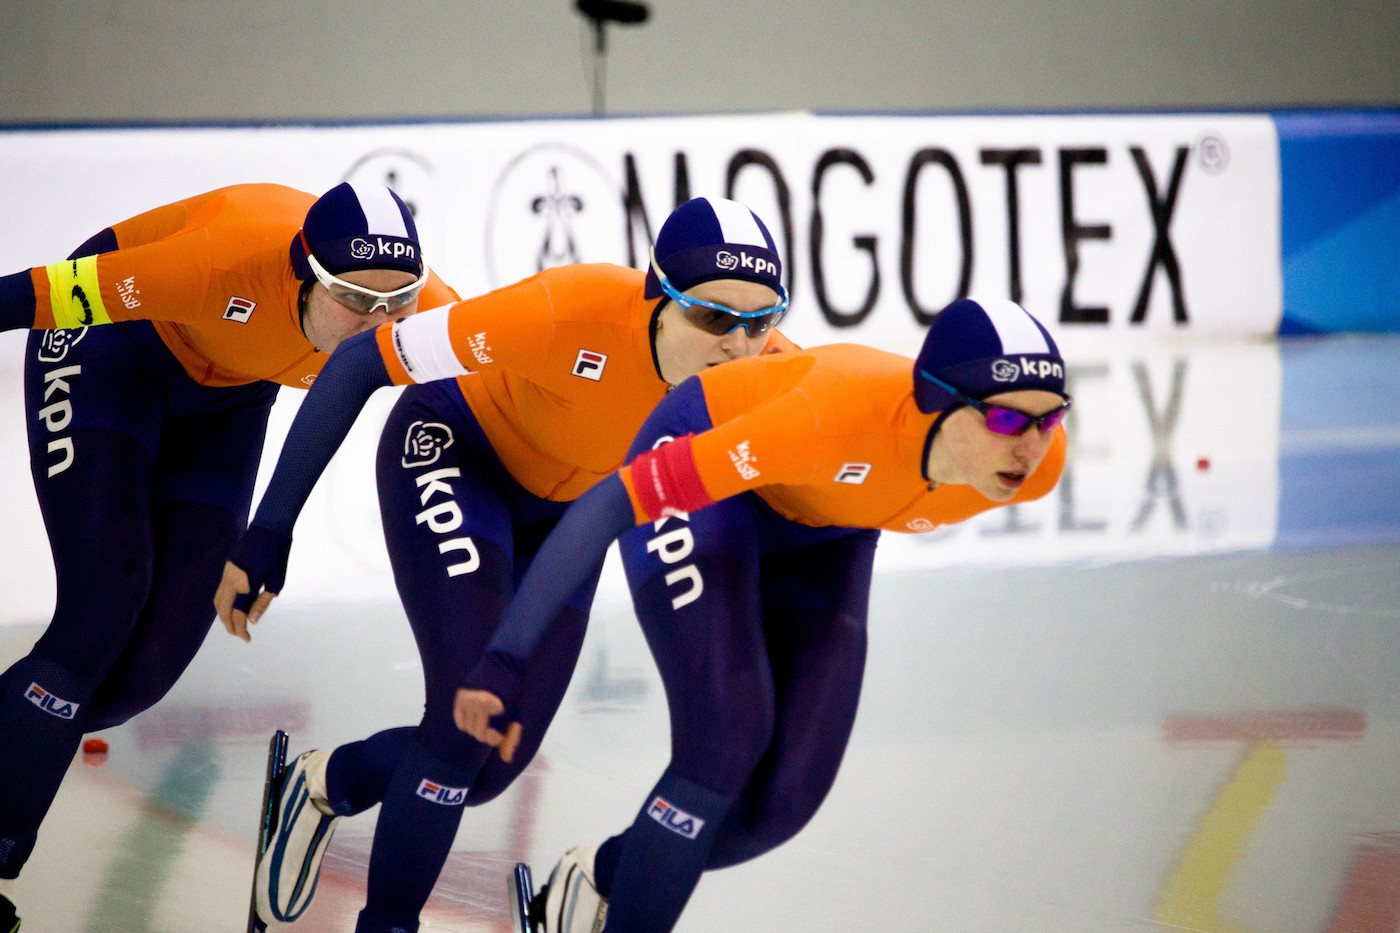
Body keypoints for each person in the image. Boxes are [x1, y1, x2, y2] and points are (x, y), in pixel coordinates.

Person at [212, 197, 794, 933]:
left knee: (484, 769)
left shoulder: (771, 370)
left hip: (572, 521)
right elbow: (361, 361)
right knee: (462, 721)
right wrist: (270, 527)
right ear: (659, 297)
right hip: (458, 455)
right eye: (712, 317)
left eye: (761, 321)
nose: (739, 345)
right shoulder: (566, 310)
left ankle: (328, 782)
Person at [455, 296, 1072, 933]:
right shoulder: (826, 419)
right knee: (726, 737)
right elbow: (611, 503)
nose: (1030, 446)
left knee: (783, 803)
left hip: (829, 523)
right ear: (936, 400)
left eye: (1050, 417)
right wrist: (507, 655)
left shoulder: (1040, 465)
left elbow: (903, 478)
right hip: (716, 472)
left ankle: (599, 877)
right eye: (1005, 419)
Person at [0, 181, 457, 931]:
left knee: (146, 669)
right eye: (355, 300)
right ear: (303, 275)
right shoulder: (215, 263)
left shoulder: (426, 310)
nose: (381, 324)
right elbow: (24, 296)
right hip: (116, 344)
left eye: (397, 302)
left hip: (231, 397)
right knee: (102, 607)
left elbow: (513, 386)